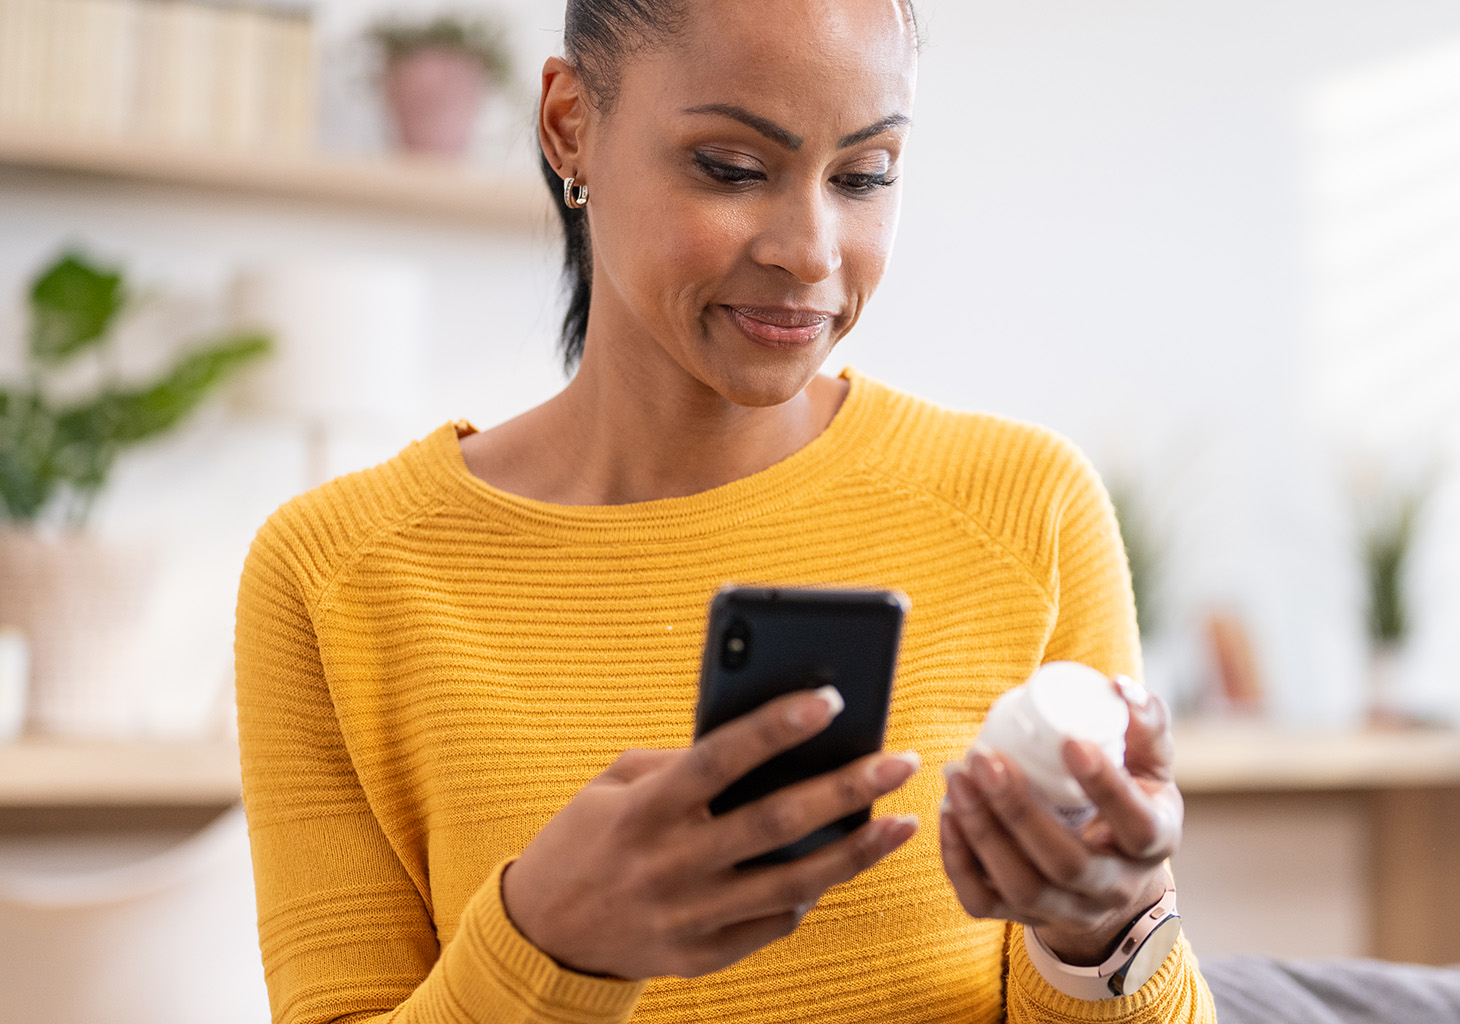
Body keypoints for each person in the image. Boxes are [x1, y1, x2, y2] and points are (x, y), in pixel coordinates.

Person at [233, 0, 1217, 1021]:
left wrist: (1104, 935)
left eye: (864, 175)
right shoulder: (335, 573)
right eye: (733, 168)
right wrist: (547, 943)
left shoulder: (1025, 508)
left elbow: (1114, 951)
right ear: (570, 124)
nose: (811, 250)